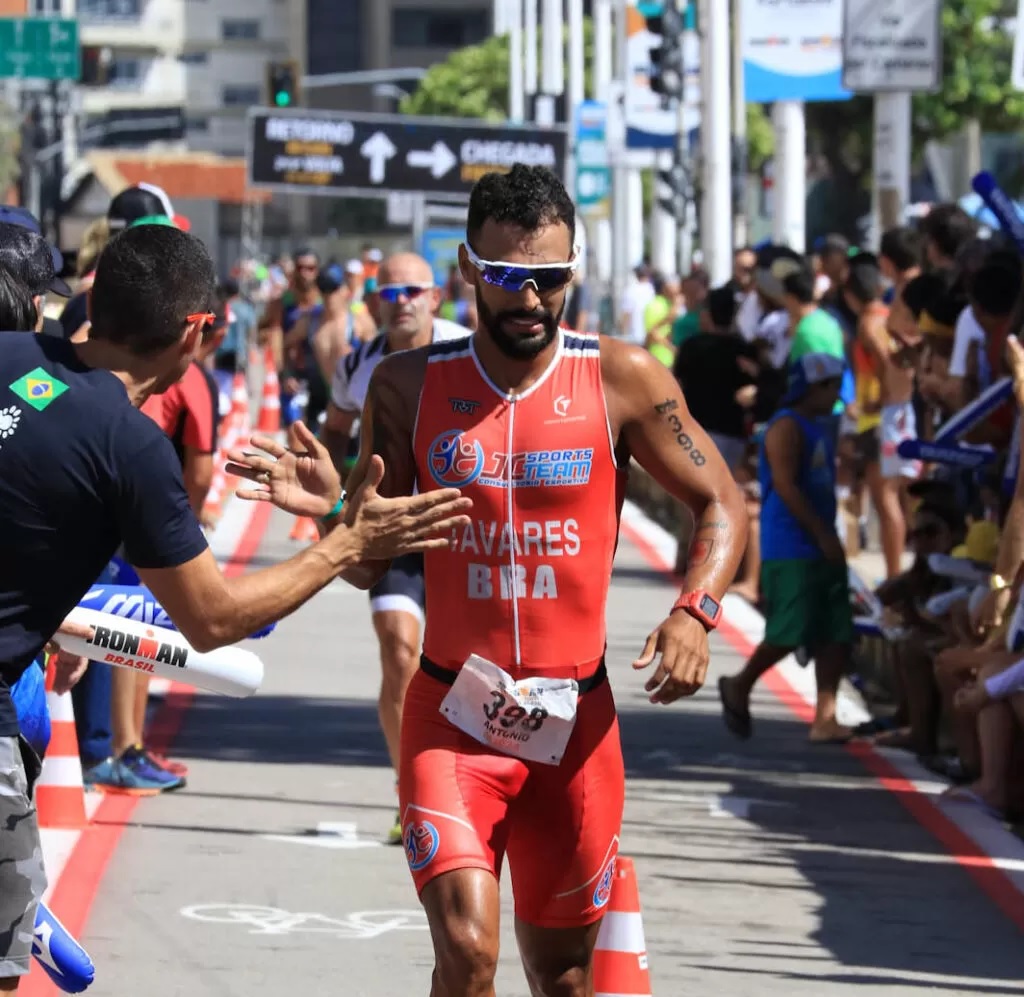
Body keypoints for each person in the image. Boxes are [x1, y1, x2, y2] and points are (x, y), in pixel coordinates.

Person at [239, 165, 748, 996]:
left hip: (576, 728)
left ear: (572, 270)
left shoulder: (623, 378)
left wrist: (696, 612)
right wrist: (336, 509)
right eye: (508, 278)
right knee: (469, 953)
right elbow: (370, 562)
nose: (530, 302)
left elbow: (720, 498)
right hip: (450, 719)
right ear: (469, 269)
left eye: (548, 281)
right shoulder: (407, 385)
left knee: (567, 977)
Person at [0, 223, 473, 994]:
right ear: (194, 332)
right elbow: (214, 619)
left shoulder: (9, 355)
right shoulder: (130, 445)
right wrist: (343, 541)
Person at [320, 252, 472, 844]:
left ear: (435, 298)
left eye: (413, 290)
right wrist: (334, 508)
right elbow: (334, 432)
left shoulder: (470, 349)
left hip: (461, 528)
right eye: (390, 292)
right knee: (399, 652)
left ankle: (469, 782)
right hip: (391, 530)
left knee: (466, 662)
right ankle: (411, 792)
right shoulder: (358, 363)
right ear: (376, 302)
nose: (402, 300)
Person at [718, 352, 854, 745]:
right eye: (831, 387)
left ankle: (825, 716)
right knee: (790, 628)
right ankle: (740, 684)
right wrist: (821, 533)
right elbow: (787, 486)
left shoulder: (814, 426)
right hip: (794, 543)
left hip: (818, 539)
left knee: (835, 630)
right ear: (815, 387)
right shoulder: (786, 428)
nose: (835, 396)